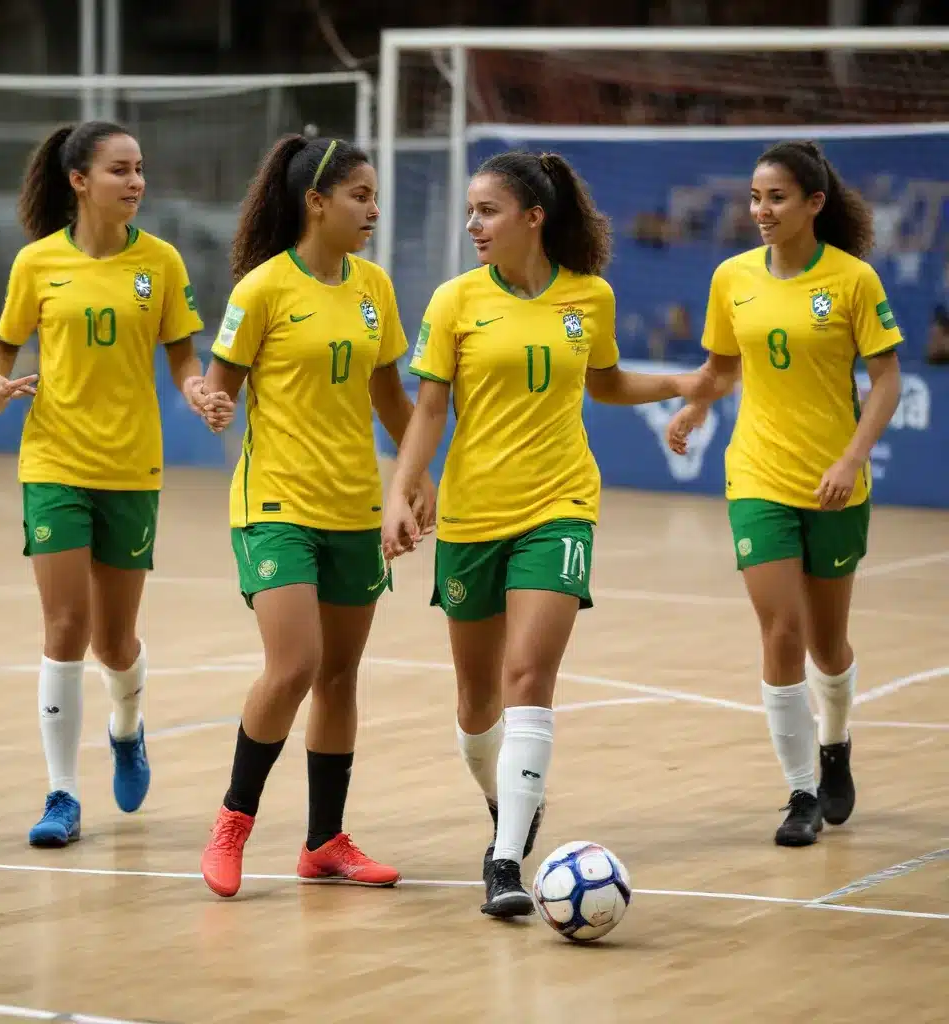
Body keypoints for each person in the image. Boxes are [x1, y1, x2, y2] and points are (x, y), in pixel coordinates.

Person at [381, 149, 705, 918]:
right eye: (470, 211)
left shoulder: (588, 297)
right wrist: (402, 490)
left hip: (559, 506)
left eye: (487, 211)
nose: (472, 225)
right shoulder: (455, 300)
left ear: (534, 217)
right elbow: (429, 410)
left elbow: (603, 380)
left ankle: (503, 862)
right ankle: (510, 802)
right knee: (474, 703)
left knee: (528, 677)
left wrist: (680, 382)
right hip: (472, 515)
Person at [197, 134, 435, 898]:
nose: (372, 209)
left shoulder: (374, 287)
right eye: (361, 195)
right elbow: (218, 382)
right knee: (294, 664)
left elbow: (393, 399)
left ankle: (324, 841)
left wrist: (417, 472)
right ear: (316, 202)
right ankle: (233, 821)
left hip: (354, 507)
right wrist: (210, 400)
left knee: (339, 674)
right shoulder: (261, 290)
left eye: (374, 196)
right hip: (274, 505)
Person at [0, 120, 232, 847]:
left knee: (115, 642)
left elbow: (185, 358)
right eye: (120, 170)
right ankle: (62, 794)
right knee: (67, 627)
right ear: (79, 181)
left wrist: (196, 390)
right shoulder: (37, 264)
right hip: (54, 461)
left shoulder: (161, 263)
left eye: (140, 169)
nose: (136, 182)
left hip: (131, 468)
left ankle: (128, 728)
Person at [666, 140, 903, 847]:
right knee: (782, 632)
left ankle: (835, 743)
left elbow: (886, 379)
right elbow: (721, 365)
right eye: (754, 198)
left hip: (835, 484)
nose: (761, 211)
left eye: (775, 198)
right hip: (758, 477)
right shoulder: (731, 277)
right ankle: (800, 791)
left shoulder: (854, 280)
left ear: (814, 204)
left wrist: (851, 457)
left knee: (828, 646)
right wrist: (696, 407)